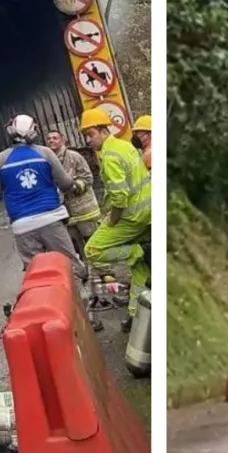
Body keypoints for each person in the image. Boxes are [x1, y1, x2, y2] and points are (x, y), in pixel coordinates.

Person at [0, 115, 89, 286]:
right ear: (34, 131)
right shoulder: (45, 153)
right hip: (52, 219)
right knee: (70, 265)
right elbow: (65, 184)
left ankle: (47, 301)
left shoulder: (0, 160)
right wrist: (70, 179)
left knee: (37, 274)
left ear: (10, 132)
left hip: (22, 226)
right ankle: (79, 300)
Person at [78, 108, 151, 333]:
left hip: (131, 217)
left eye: (91, 134)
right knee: (139, 270)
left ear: (103, 130)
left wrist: (112, 220)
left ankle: (139, 251)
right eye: (86, 136)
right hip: (147, 213)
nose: (88, 140)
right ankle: (134, 315)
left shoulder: (110, 156)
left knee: (92, 250)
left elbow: (120, 196)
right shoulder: (125, 146)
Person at [44, 128, 102, 260]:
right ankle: (84, 274)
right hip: (66, 214)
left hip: (84, 211)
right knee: (74, 249)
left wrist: (73, 186)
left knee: (92, 244)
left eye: (55, 138)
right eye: (49, 139)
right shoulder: (46, 162)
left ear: (63, 140)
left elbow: (88, 178)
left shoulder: (74, 157)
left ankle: (102, 273)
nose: (51, 140)